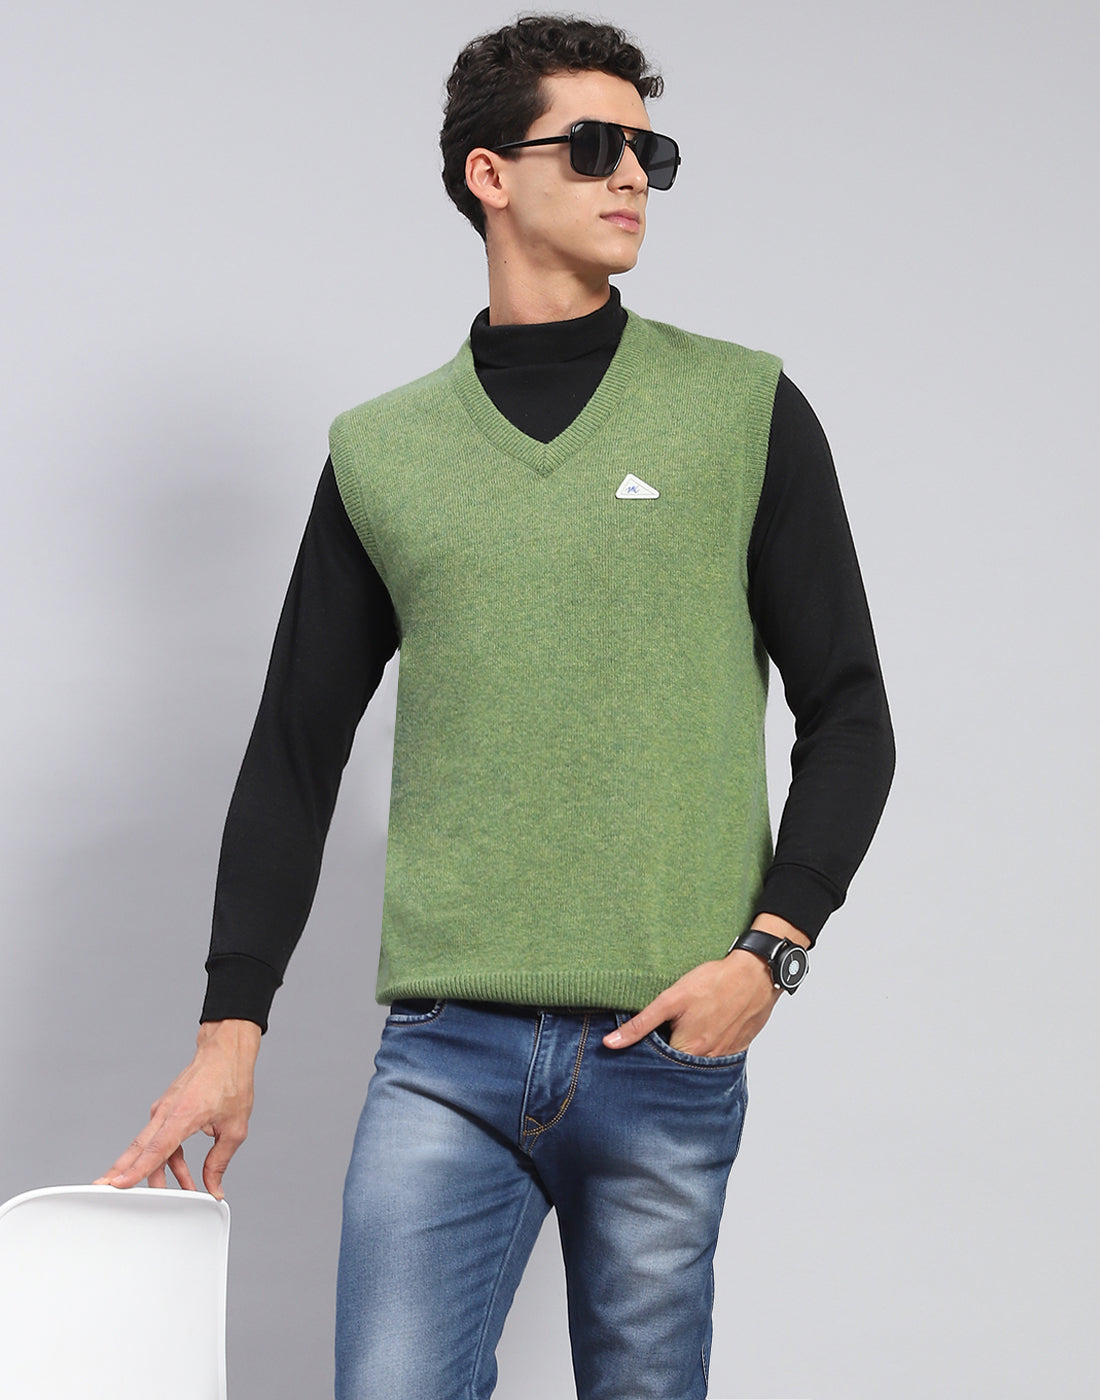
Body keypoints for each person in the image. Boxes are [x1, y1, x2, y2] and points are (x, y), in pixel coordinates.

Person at [97, 15, 895, 1399]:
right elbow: (294, 751)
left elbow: (853, 713)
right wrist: (230, 1031)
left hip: (665, 1042)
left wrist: (768, 956)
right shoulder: (384, 452)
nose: (632, 174)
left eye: (649, 150)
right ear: (488, 175)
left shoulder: (743, 409)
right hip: (443, 1057)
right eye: (592, 147)